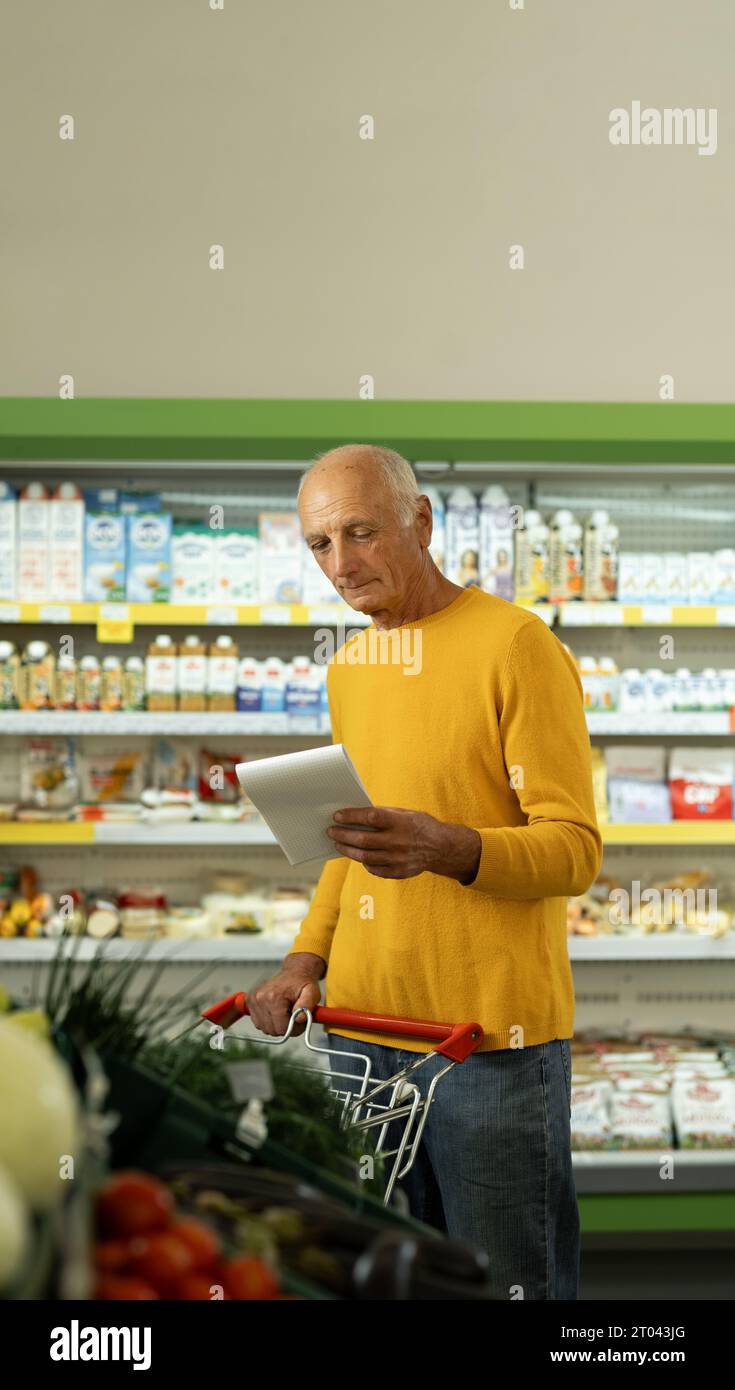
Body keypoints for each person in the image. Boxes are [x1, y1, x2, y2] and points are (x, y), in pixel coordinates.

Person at [246, 443, 602, 1300]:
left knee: (505, 1278)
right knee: (391, 1278)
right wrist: (305, 960)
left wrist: (450, 847)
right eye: (321, 545)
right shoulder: (351, 667)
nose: (342, 564)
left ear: (421, 520)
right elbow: (350, 849)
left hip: (485, 1047)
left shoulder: (515, 646)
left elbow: (574, 849)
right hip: (362, 1037)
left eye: (361, 532)